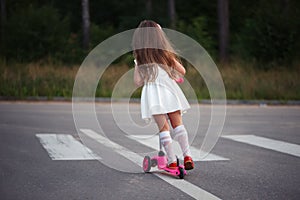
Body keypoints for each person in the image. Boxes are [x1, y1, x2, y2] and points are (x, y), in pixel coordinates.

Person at [132, 20, 194, 170]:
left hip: (153, 96)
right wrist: (171, 73)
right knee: (177, 124)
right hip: (169, 92)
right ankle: (187, 156)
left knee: (163, 128)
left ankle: (172, 160)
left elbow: (138, 82)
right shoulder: (165, 55)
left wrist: (136, 65)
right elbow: (183, 71)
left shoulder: (141, 59)